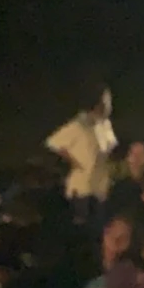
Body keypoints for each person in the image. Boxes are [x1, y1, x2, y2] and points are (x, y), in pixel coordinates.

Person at [46, 78, 118, 219]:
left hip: (101, 188)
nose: (110, 104)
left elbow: (111, 148)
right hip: (82, 190)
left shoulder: (106, 125)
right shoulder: (80, 124)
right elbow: (54, 143)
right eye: (107, 100)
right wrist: (76, 162)